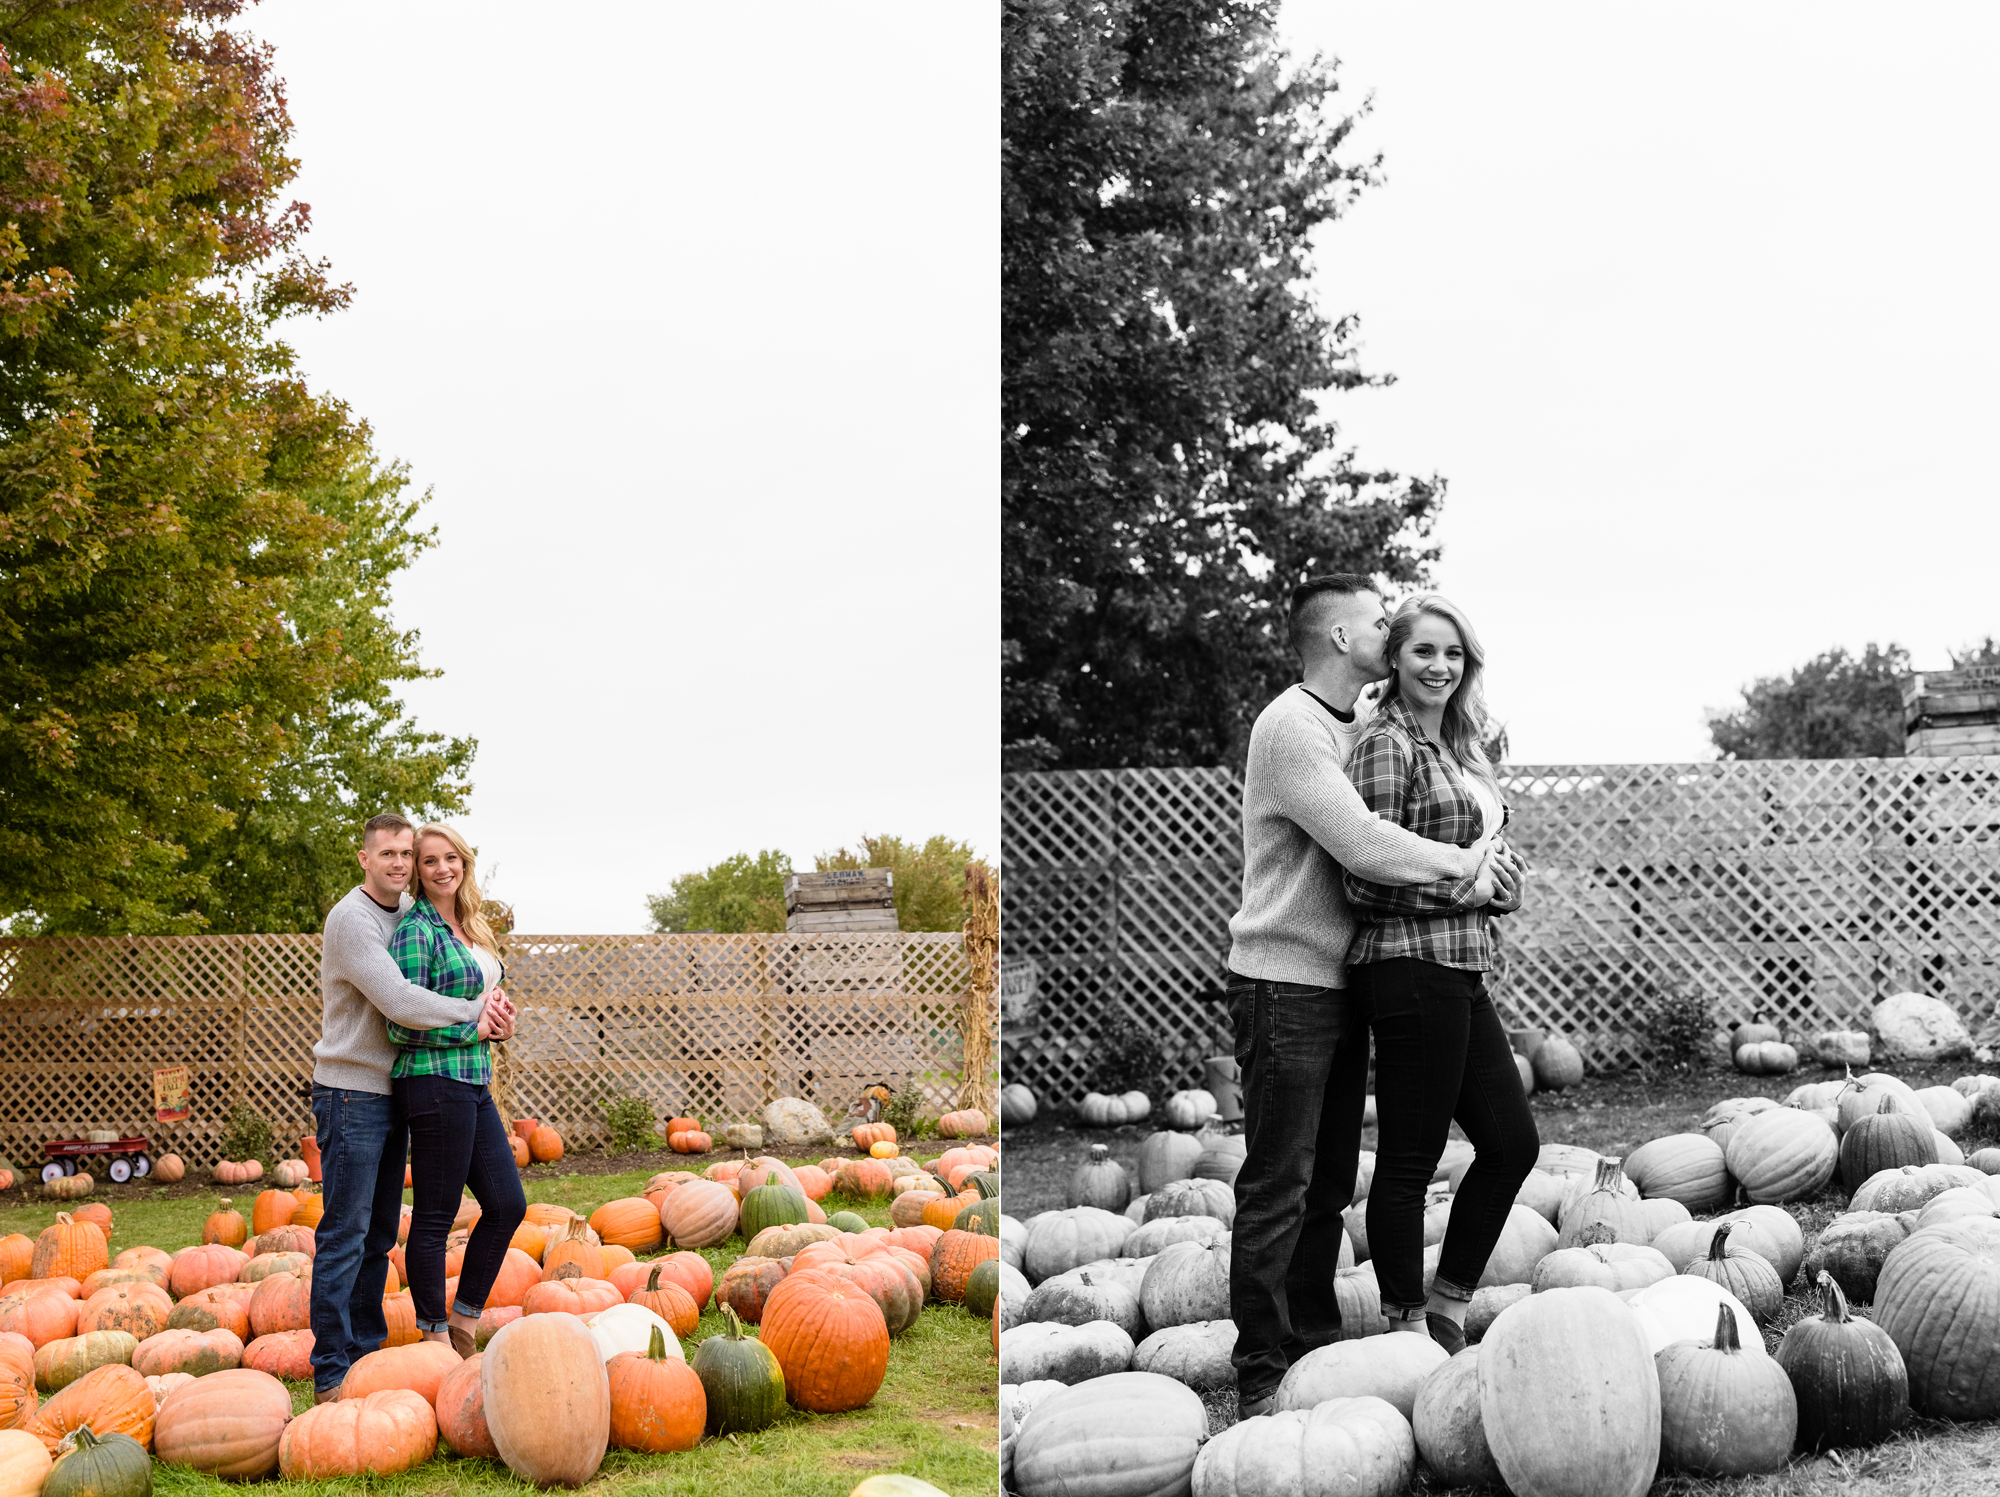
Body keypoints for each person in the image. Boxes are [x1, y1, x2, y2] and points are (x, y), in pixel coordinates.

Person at [1225, 574, 1518, 1417]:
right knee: (1280, 1178)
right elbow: (1360, 842)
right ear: (1342, 637)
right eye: (1380, 622)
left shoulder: (1356, 723)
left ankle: (1314, 1341)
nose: (1392, 631)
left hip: (1344, 975)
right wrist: (1468, 867)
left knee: (1326, 1183)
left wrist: (1485, 864)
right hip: (1284, 978)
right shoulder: (1291, 726)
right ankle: (1260, 1368)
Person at [1343, 593, 1536, 1356]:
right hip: (1404, 969)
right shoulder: (1386, 746)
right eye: (1424, 650)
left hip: (1460, 963)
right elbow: (1362, 877)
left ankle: (1447, 1304)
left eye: (1453, 653)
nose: (1440, 665)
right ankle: (1404, 1330)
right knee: (1410, 1159)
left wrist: (1502, 891)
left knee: (1511, 1143)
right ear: (1395, 657)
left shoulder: (1456, 744)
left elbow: (1479, 860)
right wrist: (1468, 888)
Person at [311, 812, 515, 1401]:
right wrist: (476, 1019)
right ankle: (330, 1372)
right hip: (352, 1090)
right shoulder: (353, 919)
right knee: (345, 1234)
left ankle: (367, 1356)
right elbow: (400, 1001)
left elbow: (453, 981)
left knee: (379, 1235)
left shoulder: (405, 912)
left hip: (395, 1088)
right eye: (391, 855)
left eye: (408, 854)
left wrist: (492, 1018)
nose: (401, 864)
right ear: (365, 859)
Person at [389, 823, 530, 1357]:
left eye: (451, 858)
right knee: (435, 1214)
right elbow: (400, 1024)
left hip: (473, 1080)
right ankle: (433, 1336)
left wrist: (502, 1022)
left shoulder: (472, 926)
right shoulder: (416, 931)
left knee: (506, 1204)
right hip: (431, 1083)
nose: (443, 868)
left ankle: (464, 1320)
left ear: (464, 863)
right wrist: (472, 1028)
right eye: (430, 861)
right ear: (418, 873)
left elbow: (485, 1001)